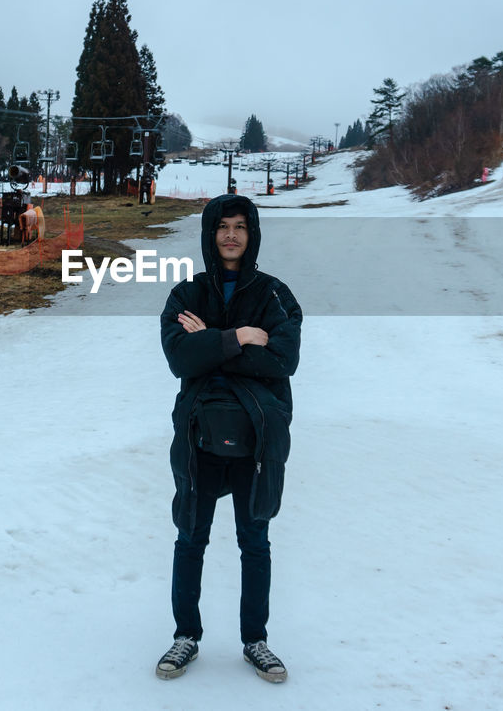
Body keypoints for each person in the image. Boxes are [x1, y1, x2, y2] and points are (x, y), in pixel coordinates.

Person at [156, 193, 303, 683]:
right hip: (198, 435)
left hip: (257, 440)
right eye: (223, 227)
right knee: (191, 537)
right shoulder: (187, 295)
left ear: (252, 232)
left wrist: (212, 343)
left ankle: (255, 640)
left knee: (254, 539)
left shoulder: (275, 294)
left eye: (240, 226)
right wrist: (240, 336)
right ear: (210, 233)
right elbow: (180, 359)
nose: (232, 235)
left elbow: (283, 360)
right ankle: (185, 636)